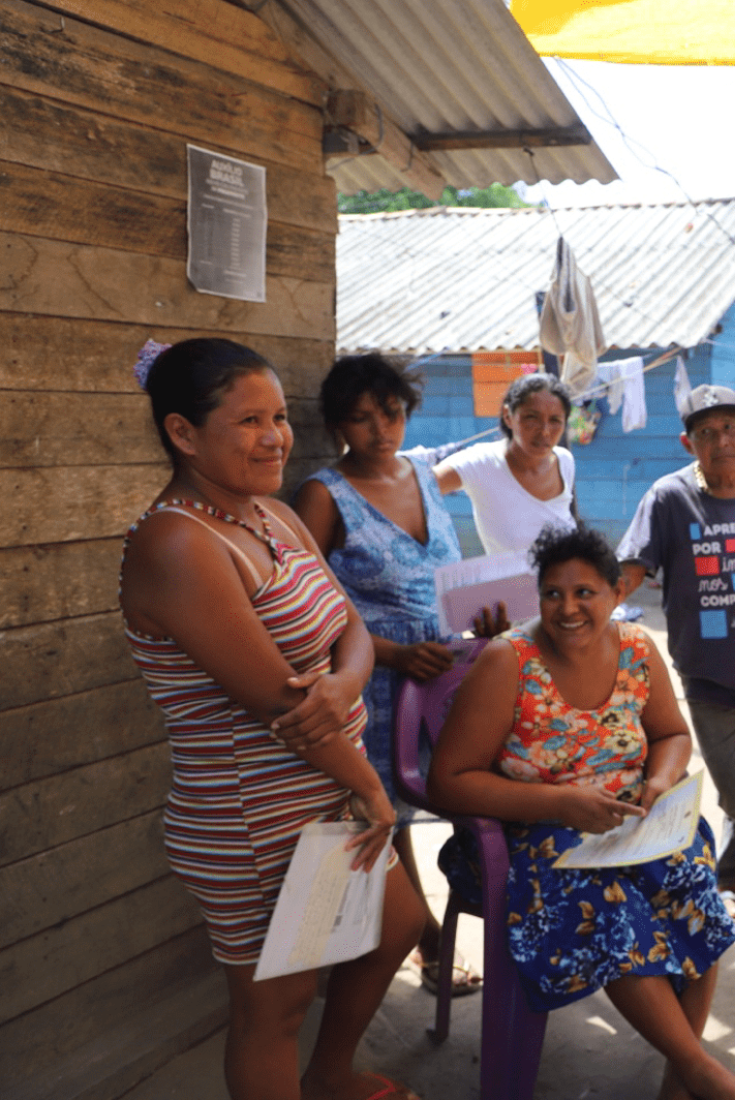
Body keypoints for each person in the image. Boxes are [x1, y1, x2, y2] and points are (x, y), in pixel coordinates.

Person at [119, 338, 423, 1100]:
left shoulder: (274, 516)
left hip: (329, 797)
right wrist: (374, 789)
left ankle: (327, 1078)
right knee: (273, 1008)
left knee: (398, 926)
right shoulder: (176, 542)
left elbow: (348, 628)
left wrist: (344, 684)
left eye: (280, 416)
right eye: (250, 419)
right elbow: (284, 705)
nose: (275, 436)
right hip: (253, 818)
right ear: (183, 434)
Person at [427, 524, 735, 1100]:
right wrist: (560, 801)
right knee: (611, 911)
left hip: (630, 825)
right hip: (529, 842)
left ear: (616, 593)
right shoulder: (508, 661)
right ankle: (699, 1069)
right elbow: (448, 782)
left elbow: (670, 734)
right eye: (553, 593)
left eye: (585, 592)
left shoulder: (637, 648)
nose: (568, 608)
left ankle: (680, 1078)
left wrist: (659, 782)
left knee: (693, 885)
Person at [291, 353, 483, 998]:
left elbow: (444, 579)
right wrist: (393, 655)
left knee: (463, 796)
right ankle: (424, 942)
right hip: (371, 682)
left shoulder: (424, 476)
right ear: (340, 425)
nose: (381, 431)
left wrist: (479, 622)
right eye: (362, 419)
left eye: (392, 413)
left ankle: (466, 921)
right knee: (385, 817)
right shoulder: (324, 495)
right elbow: (301, 607)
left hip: (447, 679)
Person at [615, 384, 735, 925]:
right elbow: (630, 571)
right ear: (688, 442)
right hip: (707, 677)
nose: (720, 439)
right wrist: (582, 608)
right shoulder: (670, 499)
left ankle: (731, 880)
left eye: (729, 428)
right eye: (706, 432)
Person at [435, 372, 577, 556]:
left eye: (555, 420)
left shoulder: (564, 461)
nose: (545, 432)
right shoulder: (481, 463)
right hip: (509, 585)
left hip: (566, 581)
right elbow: (419, 489)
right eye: (532, 418)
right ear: (508, 416)